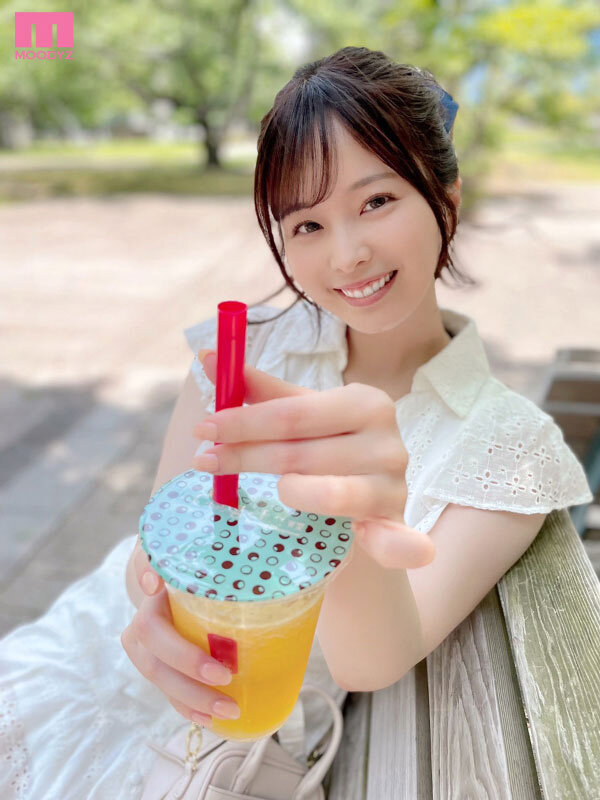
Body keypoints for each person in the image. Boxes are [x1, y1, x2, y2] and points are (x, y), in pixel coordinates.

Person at [0, 46, 593, 798]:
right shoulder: (244, 355)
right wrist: (150, 595)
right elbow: (160, 534)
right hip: (89, 665)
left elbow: (370, 662)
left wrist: (355, 511)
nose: (347, 255)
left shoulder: (510, 449)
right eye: (307, 224)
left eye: (376, 202)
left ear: (446, 196)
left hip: (236, 746)